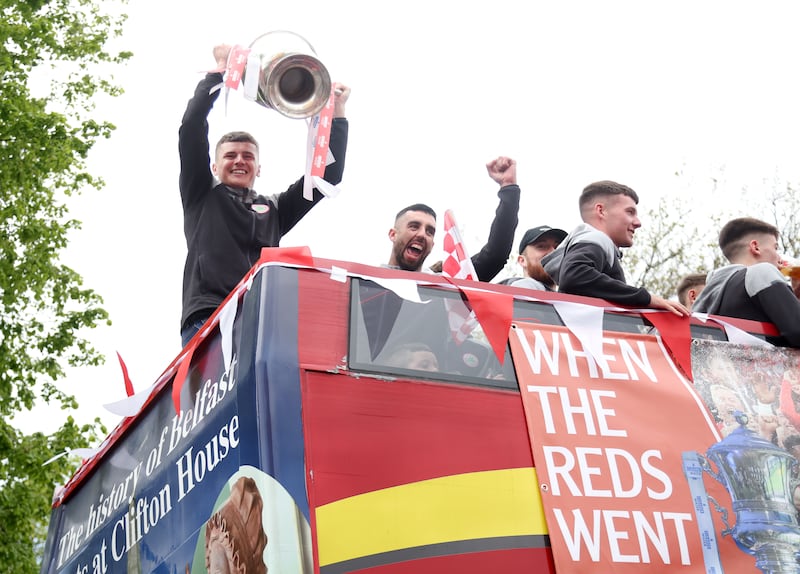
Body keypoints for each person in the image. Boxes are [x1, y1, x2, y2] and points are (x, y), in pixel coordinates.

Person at [178, 44, 350, 346]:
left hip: (258, 316)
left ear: (259, 168)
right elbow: (191, 127)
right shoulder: (201, 195)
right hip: (209, 315)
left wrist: (337, 114)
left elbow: (325, 178)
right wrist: (220, 72)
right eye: (230, 156)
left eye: (248, 156)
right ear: (215, 166)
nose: (239, 161)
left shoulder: (275, 208)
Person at [542, 181, 688, 315]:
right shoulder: (596, 238)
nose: (638, 222)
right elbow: (575, 275)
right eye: (630, 212)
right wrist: (647, 298)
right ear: (601, 211)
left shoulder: (595, 245)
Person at [387, 156, 520, 281]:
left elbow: (494, 256)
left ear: (432, 245)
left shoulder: (445, 287)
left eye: (430, 232)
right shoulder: (368, 283)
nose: (422, 234)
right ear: (393, 234)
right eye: (414, 226)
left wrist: (509, 188)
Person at [692, 217, 800, 346]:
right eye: (775, 248)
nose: (779, 258)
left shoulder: (711, 294)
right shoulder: (762, 272)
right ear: (755, 247)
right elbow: (797, 330)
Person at [501, 225, 567, 291]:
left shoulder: (567, 298)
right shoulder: (523, 287)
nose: (553, 252)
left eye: (558, 247)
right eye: (541, 246)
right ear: (522, 261)